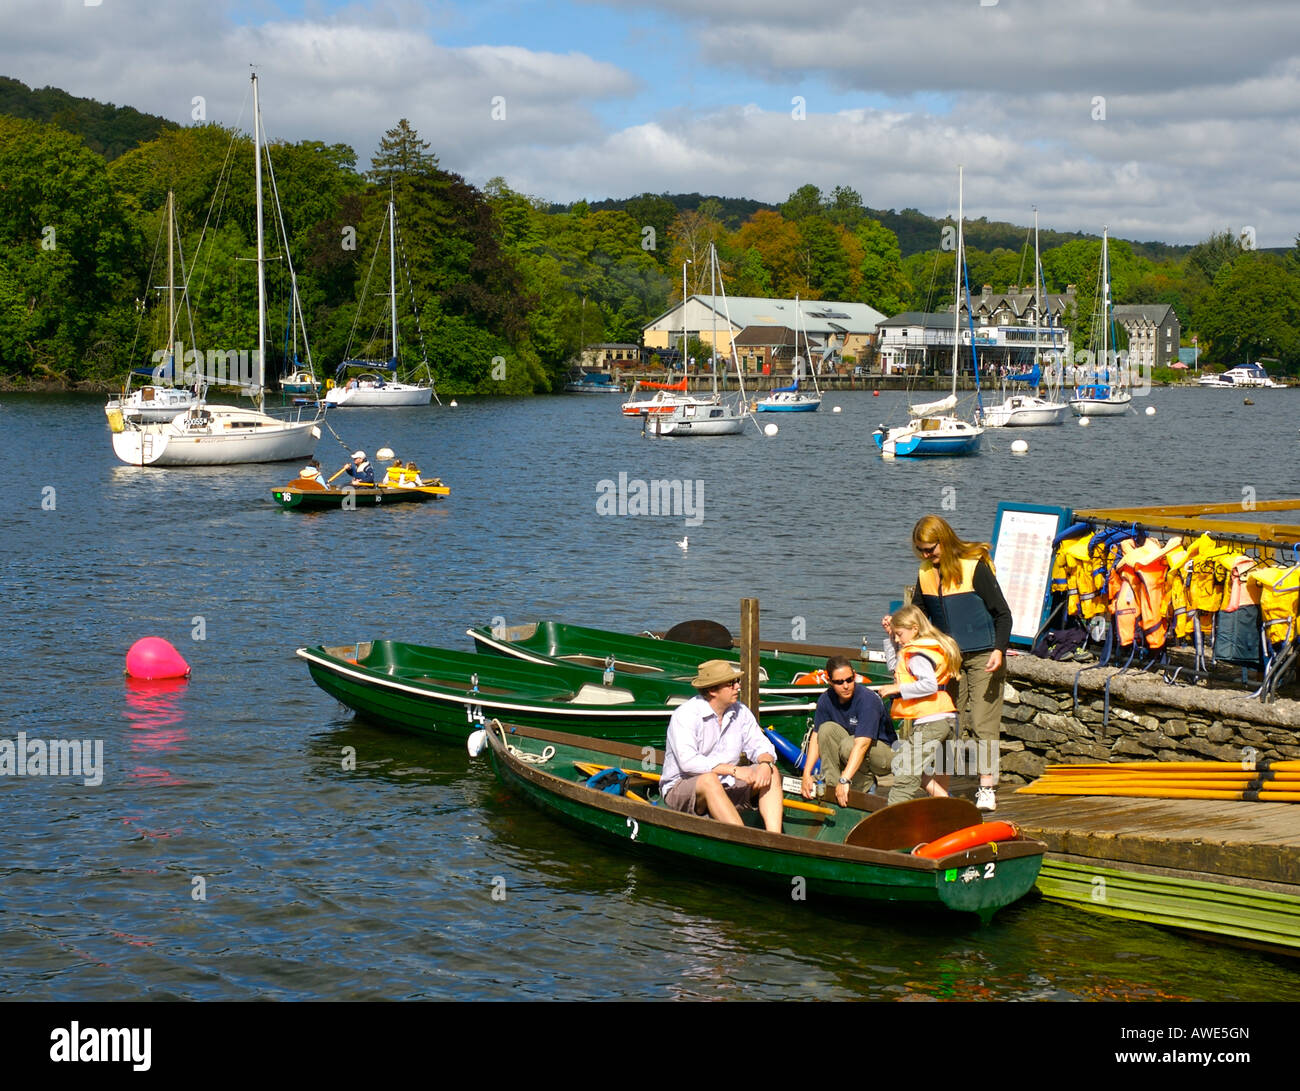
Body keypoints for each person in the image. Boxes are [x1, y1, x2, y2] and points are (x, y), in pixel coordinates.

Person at [909, 515, 1013, 811]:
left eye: (931, 549)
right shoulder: (925, 572)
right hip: (949, 659)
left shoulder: (974, 567)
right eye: (921, 551)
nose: (927, 556)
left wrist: (999, 650)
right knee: (945, 722)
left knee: (983, 723)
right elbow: (918, 614)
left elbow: (1003, 614)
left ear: (944, 540)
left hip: (983, 655)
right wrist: (898, 625)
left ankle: (986, 787)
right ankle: (942, 788)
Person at [660, 660, 783, 833]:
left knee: (772, 772)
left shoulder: (741, 712)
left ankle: (774, 839)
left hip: (726, 784)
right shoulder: (685, 715)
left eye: (737, 682)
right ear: (712, 690)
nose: (738, 687)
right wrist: (733, 770)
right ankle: (743, 841)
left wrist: (765, 764)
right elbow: (688, 762)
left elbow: (762, 745)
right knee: (709, 780)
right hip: (682, 788)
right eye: (731, 684)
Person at [872, 605, 963, 805]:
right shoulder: (926, 648)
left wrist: (896, 690)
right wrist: (890, 637)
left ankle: (892, 822)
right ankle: (948, 807)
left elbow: (929, 685)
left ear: (914, 629)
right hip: (947, 719)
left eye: (899, 634)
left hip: (930, 722)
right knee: (929, 770)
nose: (897, 639)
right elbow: (897, 668)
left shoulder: (916, 655)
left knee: (905, 772)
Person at [799, 656, 894, 806]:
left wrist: (845, 779)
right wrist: (806, 773)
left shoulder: (868, 700)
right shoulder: (825, 699)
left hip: (884, 756)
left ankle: (864, 787)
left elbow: (862, 744)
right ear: (830, 681)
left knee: (850, 744)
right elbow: (816, 736)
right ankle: (833, 785)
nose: (846, 686)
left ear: (854, 676)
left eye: (850, 680)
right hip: (851, 750)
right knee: (826, 729)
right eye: (839, 682)